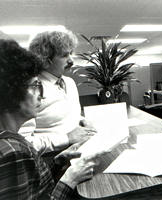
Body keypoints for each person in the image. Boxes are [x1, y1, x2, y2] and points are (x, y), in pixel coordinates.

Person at [0, 39, 103, 199]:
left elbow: (36, 185)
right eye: (35, 86)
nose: (41, 95)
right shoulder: (12, 153)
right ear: (11, 92)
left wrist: (57, 162)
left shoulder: (13, 141)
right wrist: (70, 180)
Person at [19, 29, 95, 153]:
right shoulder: (31, 90)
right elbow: (22, 144)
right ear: (45, 59)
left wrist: (82, 121)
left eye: (71, 53)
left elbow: (66, 116)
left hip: (81, 153)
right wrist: (67, 138)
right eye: (64, 55)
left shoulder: (69, 82)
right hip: (52, 163)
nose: (71, 61)